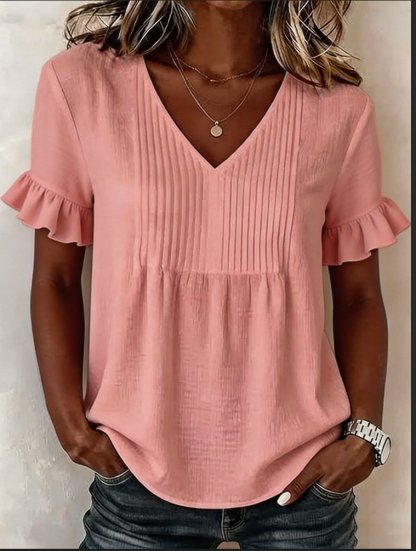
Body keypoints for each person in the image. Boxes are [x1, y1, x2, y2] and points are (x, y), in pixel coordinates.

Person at [1, 0, 411, 548]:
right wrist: (72, 429)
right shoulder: (83, 86)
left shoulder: (339, 109)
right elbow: (54, 278)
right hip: (138, 479)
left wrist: (364, 438)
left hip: (305, 480)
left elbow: (359, 295)